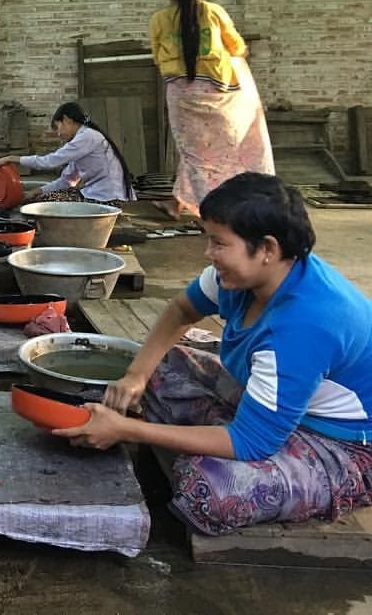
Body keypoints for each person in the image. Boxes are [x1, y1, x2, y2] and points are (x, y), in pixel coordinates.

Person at [54, 173, 372, 536]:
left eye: (219, 243)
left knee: (208, 488)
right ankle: (202, 431)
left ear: (267, 248)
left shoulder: (305, 324)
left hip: (342, 444)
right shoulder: (243, 278)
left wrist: (128, 430)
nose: (209, 253)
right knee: (159, 367)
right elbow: (181, 311)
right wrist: (136, 375)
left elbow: (251, 442)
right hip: (283, 409)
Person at [150, 0, 274, 219]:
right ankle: (179, 202)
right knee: (222, 150)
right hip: (221, 95)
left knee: (194, 154)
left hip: (183, 96)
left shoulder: (160, 20)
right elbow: (237, 47)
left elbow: (158, 56)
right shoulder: (214, 12)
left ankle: (214, 215)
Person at [0, 102, 135, 206]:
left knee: (42, 204)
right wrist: (36, 191)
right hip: (99, 196)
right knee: (37, 199)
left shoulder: (87, 137)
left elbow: (48, 162)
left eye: (58, 128)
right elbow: (68, 181)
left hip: (108, 200)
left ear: (66, 120)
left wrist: (10, 158)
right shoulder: (82, 140)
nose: (58, 134)